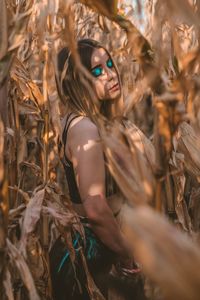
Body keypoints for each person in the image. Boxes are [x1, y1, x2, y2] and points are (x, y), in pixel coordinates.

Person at [50, 39, 145, 300]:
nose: (111, 74)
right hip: (88, 254)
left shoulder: (79, 121)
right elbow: (95, 208)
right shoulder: (85, 129)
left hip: (93, 248)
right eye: (97, 71)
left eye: (110, 64)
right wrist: (125, 254)